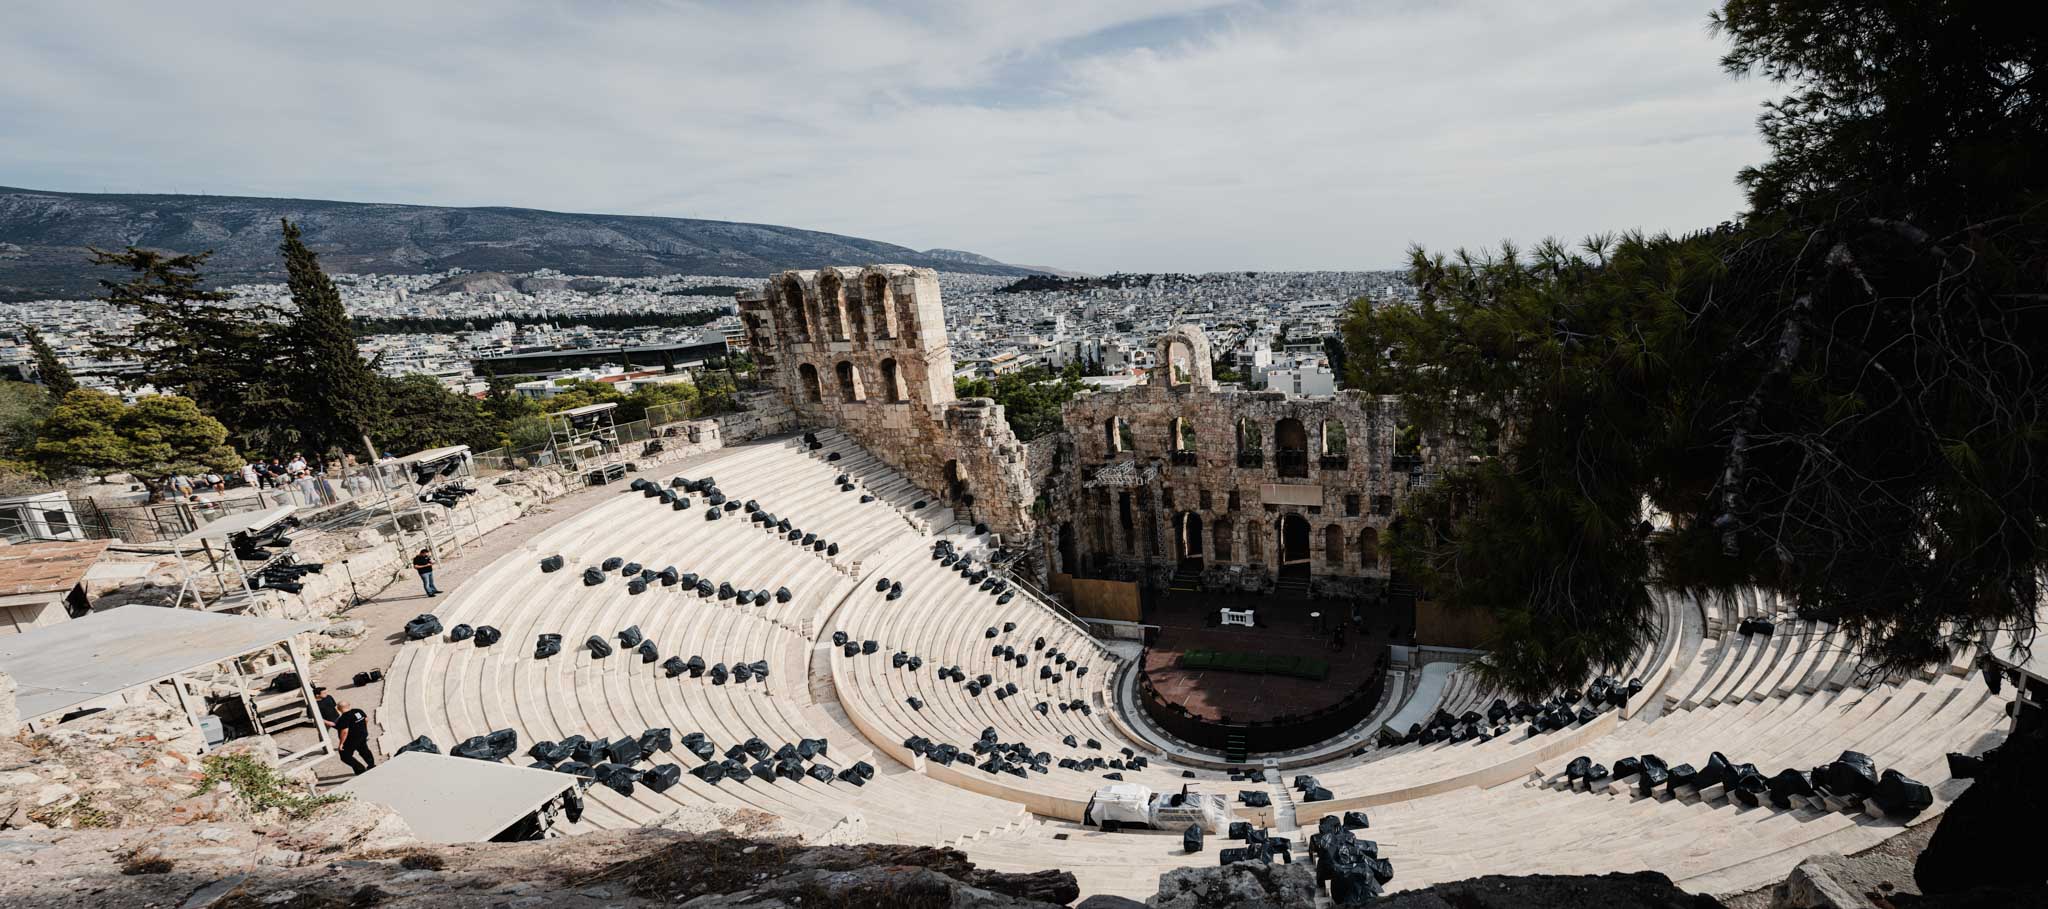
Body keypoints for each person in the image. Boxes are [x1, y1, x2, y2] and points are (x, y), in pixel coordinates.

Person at [334, 701, 375, 774]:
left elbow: (344, 732)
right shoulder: (358, 711)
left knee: (345, 756)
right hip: (362, 735)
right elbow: (366, 719)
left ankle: (360, 769)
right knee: (364, 750)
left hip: (351, 740)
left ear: (338, 709)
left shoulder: (343, 718)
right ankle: (371, 765)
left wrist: (341, 744)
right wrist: (363, 729)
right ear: (349, 705)